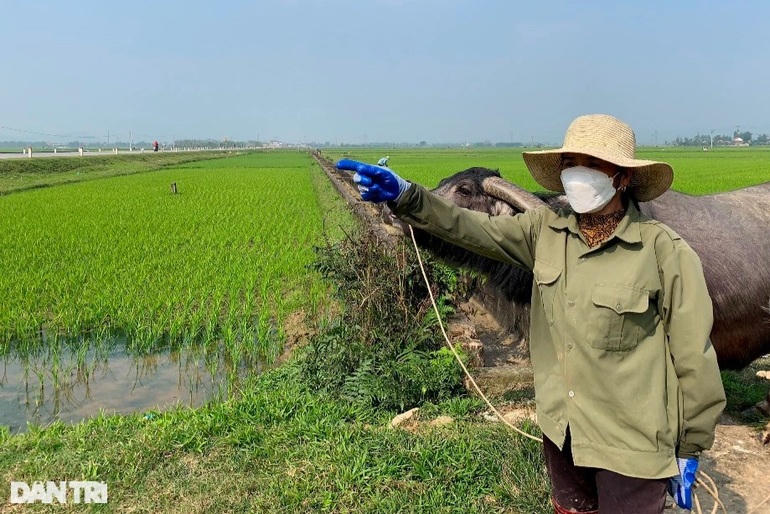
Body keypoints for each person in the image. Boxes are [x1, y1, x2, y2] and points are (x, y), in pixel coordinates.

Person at [336, 114, 726, 513]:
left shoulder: (663, 251)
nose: (579, 174)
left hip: (633, 445)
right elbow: (467, 226)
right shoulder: (544, 232)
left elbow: (694, 356)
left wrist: (690, 445)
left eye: (593, 165)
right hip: (564, 432)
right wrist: (406, 195)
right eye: (571, 163)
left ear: (623, 177)